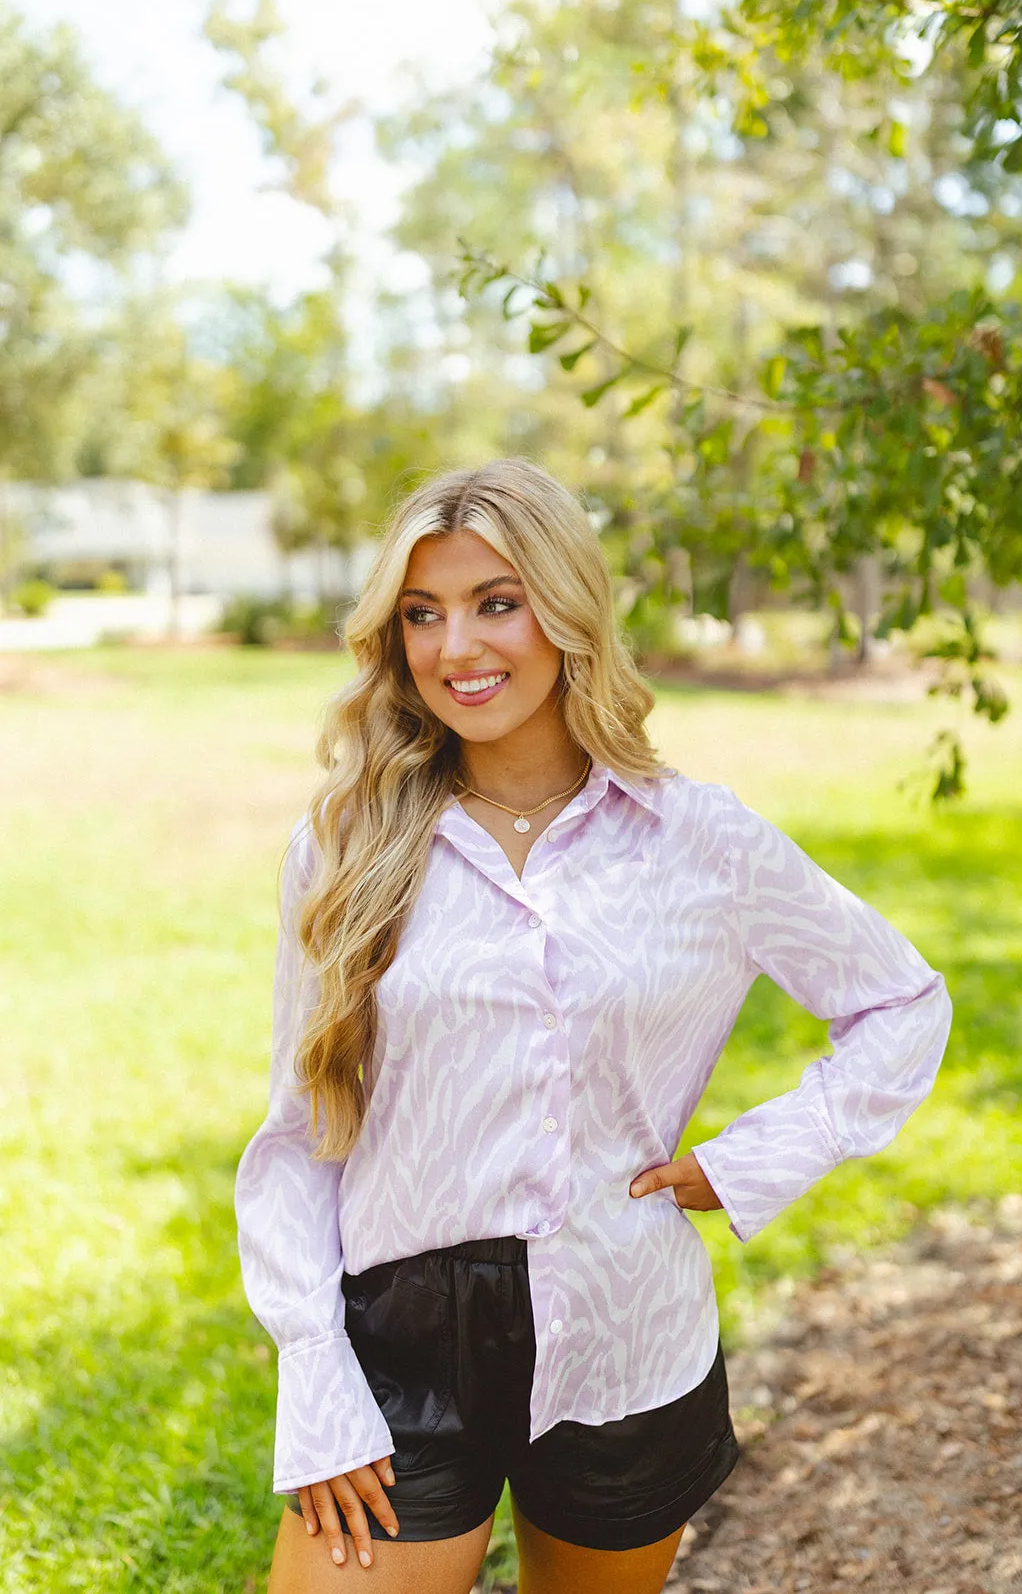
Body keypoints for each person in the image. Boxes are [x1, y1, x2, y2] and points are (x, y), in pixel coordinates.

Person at [235, 457, 952, 1594]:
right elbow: (297, 1131)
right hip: (400, 1344)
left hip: (625, 1328)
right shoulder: (347, 846)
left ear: (566, 609)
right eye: (421, 614)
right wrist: (314, 1364)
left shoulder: (698, 840)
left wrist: (756, 1159)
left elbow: (900, 999)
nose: (455, 649)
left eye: (495, 602)